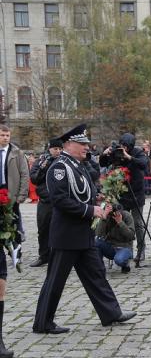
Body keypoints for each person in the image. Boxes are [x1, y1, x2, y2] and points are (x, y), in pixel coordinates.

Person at [33, 124, 136, 334]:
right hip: (67, 235)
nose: (86, 148)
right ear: (68, 144)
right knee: (55, 280)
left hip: (83, 233)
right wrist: (91, 210)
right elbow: (60, 200)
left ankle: (111, 313)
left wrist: (97, 198)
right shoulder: (60, 168)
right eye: (82, 144)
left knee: (97, 274)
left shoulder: (78, 165)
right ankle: (43, 322)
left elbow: (82, 192)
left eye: (86, 144)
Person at [0, 124, 29, 358]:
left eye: (7, 135)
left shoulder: (17, 152)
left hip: (9, 198)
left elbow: (24, 174)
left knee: (14, 231)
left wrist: (19, 197)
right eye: (2, 134)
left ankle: (15, 254)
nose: (5, 137)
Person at [99, 133, 148, 265]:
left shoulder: (137, 152)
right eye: (123, 146)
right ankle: (127, 250)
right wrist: (104, 154)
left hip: (136, 193)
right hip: (122, 193)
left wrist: (129, 157)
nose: (124, 148)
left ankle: (141, 249)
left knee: (138, 223)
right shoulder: (116, 151)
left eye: (126, 146)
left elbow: (144, 164)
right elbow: (103, 163)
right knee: (122, 220)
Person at [29, 138, 63, 267]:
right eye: (55, 149)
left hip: (60, 201)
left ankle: (60, 256)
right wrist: (44, 168)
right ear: (49, 149)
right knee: (43, 229)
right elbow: (34, 179)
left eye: (60, 149)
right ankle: (44, 256)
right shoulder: (42, 160)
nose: (58, 151)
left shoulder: (64, 161)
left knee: (60, 229)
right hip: (45, 201)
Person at [95, 203, 136, 273]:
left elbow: (131, 236)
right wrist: (103, 217)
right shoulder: (108, 216)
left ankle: (125, 264)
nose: (116, 214)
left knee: (119, 260)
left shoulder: (127, 216)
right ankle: (99, 268)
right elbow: (98, 234)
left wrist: (120, 222)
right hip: (111, 247)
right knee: (95, 242)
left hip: (124, 247)